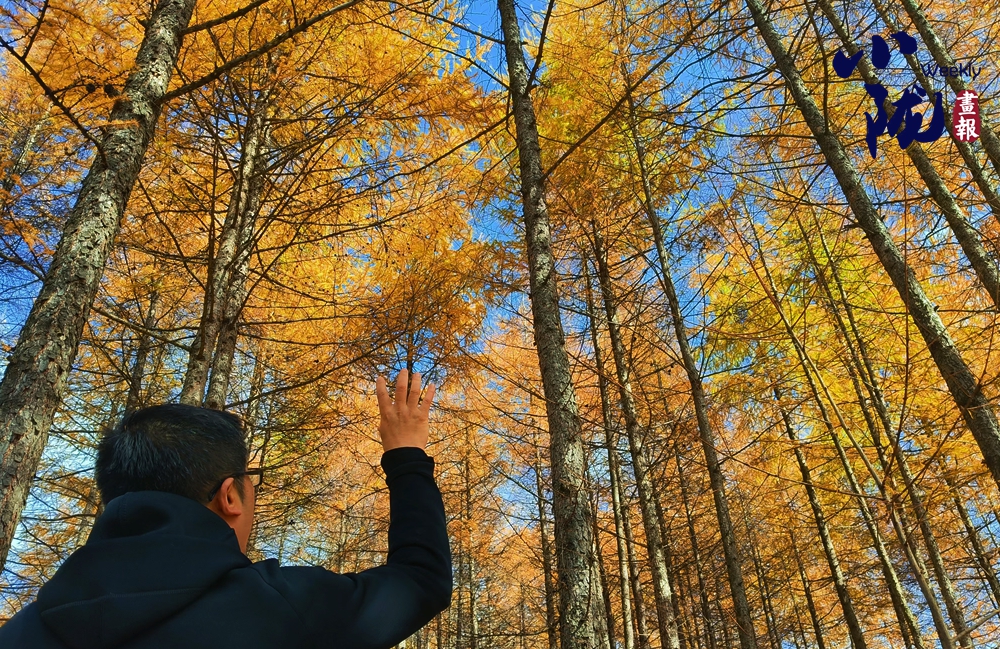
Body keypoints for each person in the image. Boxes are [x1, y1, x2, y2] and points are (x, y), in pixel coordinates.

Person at [0, 370, 451, 649]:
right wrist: (406, 455)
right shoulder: (278, 607)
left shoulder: (25, 629)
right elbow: (420, 581)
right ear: (229, 496)